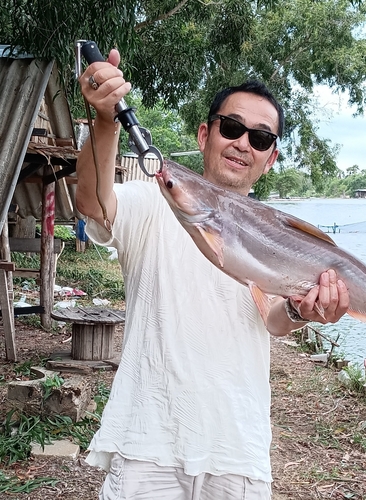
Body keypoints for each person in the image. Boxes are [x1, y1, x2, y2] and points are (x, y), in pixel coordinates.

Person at [76, 48, 350, 500]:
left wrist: (308, 311)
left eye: (261, 139)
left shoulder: (278, 235)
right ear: (206, 134)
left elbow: (276, 320)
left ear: (271, 158)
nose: (244, 143)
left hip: (237, 451)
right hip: (148, 442)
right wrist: (105, 121)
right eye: (233, 128)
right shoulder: (154, 202)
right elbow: (94, 204)